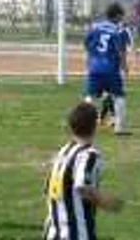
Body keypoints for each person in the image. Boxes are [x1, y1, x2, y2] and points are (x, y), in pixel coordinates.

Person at [43, 102, 123, 239]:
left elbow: (48, 185)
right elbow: (82, 187)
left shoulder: (63, 152)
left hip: (54, 232)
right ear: (96, 125)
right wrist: (108, 203)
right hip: (77, 234)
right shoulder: (88, 155)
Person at [84, 3, 130, 136]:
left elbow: (87, 43)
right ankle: (119, 129)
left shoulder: (95, 27)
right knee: (119, 96)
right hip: (110, 68)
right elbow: (120, 51)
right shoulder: (117, 30)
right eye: (121, 16)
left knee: (91, 97)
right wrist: (124, 66)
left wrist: (93, 58)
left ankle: (85, 126)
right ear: (116, 16)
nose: (122, 19)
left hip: (94, 67)